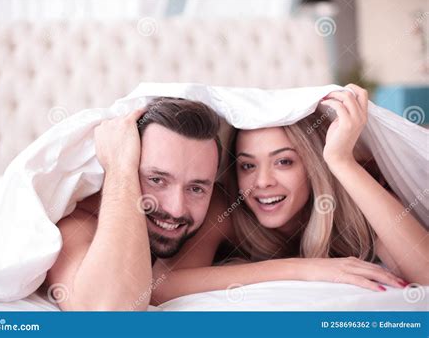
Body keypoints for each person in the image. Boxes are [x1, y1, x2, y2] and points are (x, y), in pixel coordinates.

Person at [151, 84, 429, 305]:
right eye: (248, 165)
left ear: (314, 163)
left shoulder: (354, 197)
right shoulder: (227, 207)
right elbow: (161, 287)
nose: (262, 182)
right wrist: (303, 269)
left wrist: (341, 161)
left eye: (284, 162)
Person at [46, 97, 222, 310]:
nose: (176, 209)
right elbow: (109, 315)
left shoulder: (221, 207)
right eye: (156, 180)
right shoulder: (77, 223)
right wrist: (119, 167)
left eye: (196, 189)